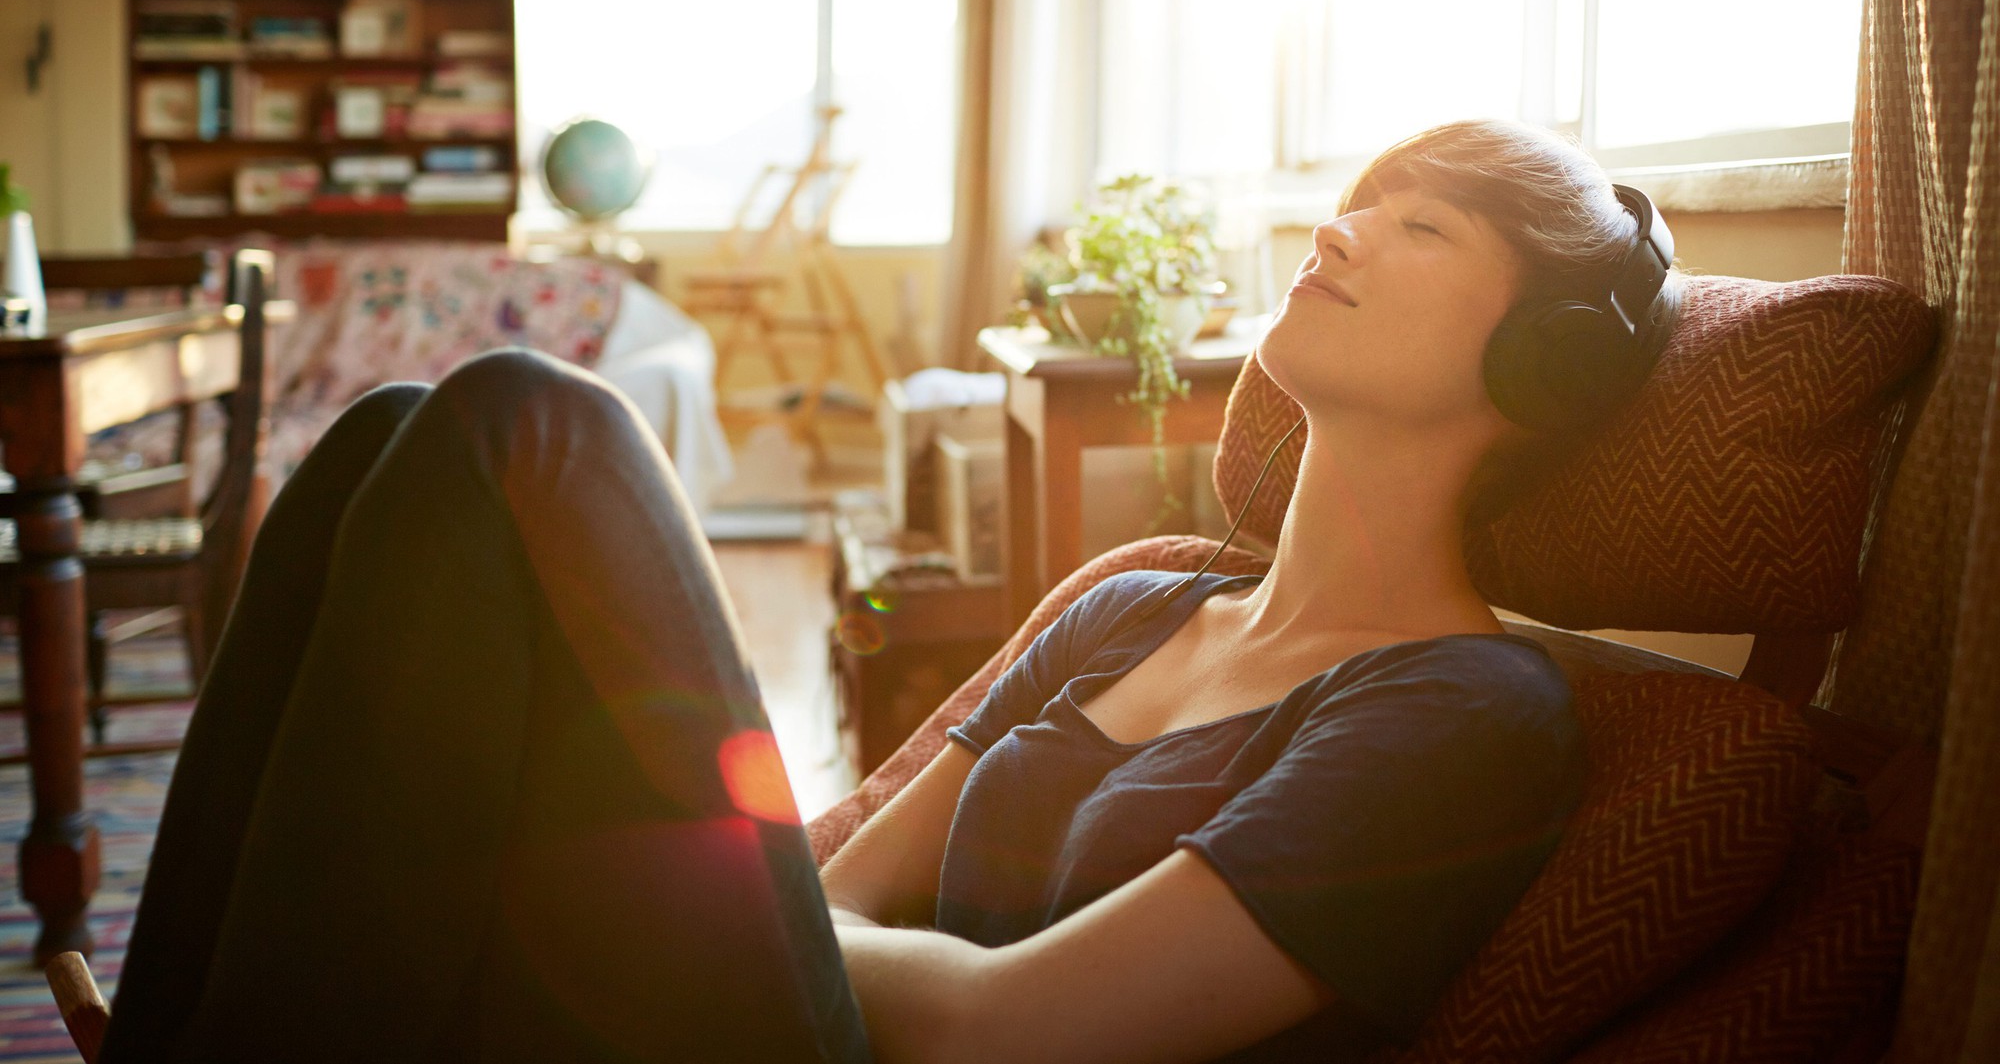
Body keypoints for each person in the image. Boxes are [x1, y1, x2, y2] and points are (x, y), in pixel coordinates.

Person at [101, 120, 1678, 1064]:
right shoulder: (1133, 606)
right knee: (385, 437)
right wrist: (703, 906)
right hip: (794, 1023)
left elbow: (1014, 1034)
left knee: (533, 418)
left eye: (1421, 224)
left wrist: (673, 902)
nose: (1341, 224)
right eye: (1361, 191)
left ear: (1538, 362)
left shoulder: (1465, 710)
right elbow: (837, 882)